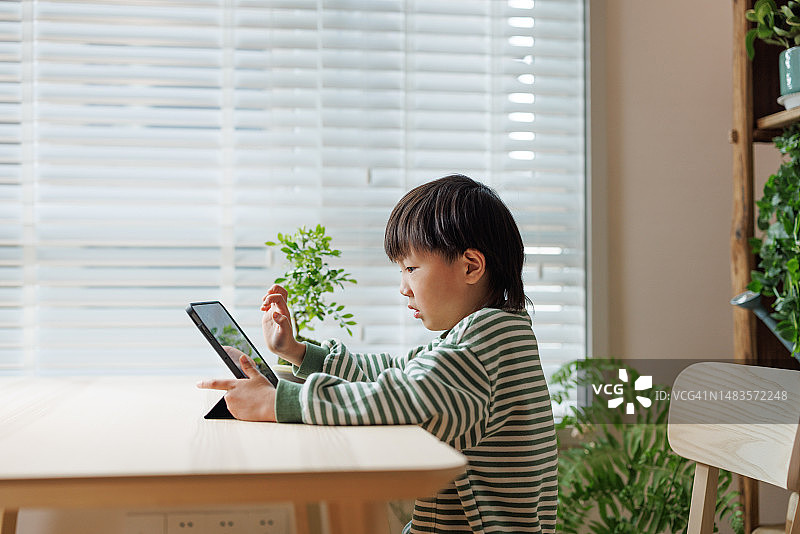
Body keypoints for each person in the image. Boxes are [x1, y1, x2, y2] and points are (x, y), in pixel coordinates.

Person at [198, 174, 558, 534]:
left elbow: (406, 396)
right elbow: (397, 372)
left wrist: (279, 403)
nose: (403, 287)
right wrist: (299, 352)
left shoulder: (484, 343)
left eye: (412, 269)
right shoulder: (495, 333)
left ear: (470, 266)